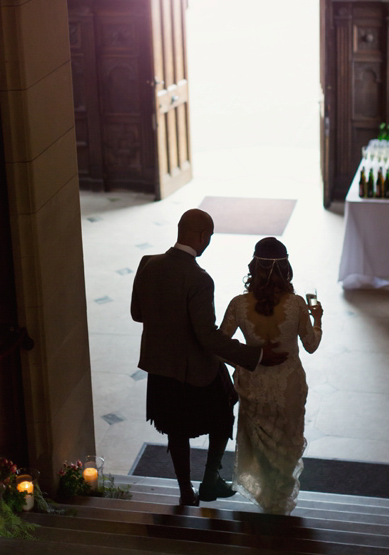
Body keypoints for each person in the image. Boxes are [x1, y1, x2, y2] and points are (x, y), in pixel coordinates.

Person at [130, 208, 286, 506]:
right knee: (224, 413)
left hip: (160, 367)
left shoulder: (147, 264)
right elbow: (208, 337)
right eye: (210, 237)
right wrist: (256, 355)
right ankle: (210, 480)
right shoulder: (200, 278)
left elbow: (138, 314)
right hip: (194, 369)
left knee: (175, 430)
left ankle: (185, 490)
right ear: (203, 237)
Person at [219, 237, 322, 515]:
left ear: (254, 266)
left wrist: (245, 360)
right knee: (287, 446)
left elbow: (217, 348)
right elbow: (311, 346)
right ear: (286, 267)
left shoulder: (238, 305)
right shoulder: (298, 304)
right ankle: (280, 503)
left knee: (263, 450)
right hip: (288, 387)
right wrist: (318, 319)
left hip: (254, 388)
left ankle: (267, 501)